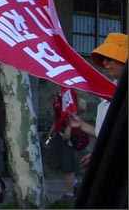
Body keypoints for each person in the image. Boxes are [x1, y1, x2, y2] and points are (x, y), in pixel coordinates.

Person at [69, 33, 128, 167]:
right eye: (102, 58)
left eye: (110, 57)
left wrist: (103, 153)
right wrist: (81, 125)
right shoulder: (110, 92)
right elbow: (106, 133)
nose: (105, 63)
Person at [45, 90, 78, 205]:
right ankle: (74, 183)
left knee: (66, 162)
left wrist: (69, 128)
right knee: (54, 159)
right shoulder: (59, 94)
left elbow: (72, 111)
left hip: (66, 132)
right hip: (58, 132)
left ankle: (70, 194)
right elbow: (58, 116)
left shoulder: (69, 92)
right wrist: (52, 130)